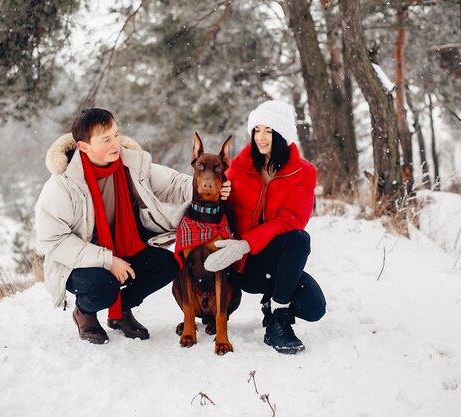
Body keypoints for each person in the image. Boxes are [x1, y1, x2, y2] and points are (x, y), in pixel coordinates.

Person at [35, 108, 229, 344]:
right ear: (84, 147)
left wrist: (210, 187)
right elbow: (53, 241)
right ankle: (84, 313)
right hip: (79, 263)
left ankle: (122, 311)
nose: (116, 143)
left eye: (116, 135)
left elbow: (174, 184)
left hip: (125, 249)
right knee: (103, 287)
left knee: (167, 265)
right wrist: (107, 260)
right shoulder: (62, 184)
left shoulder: (132, 164)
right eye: (106, 139)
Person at [204, 100, 326, 354]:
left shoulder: (304, 173)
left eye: (268, 131)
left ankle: (272, 305)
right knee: (297, 242)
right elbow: (222, 213)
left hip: (269, 259)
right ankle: (278, 321)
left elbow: (291, 220)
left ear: (282, 134)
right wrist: (223, 196)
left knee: (314, 306)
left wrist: (248, 242)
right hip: (242, 265)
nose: (260, 137)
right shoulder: (237, 167)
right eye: (256, 129)